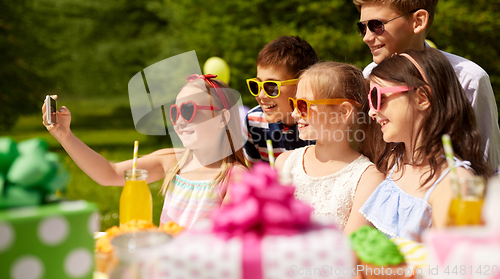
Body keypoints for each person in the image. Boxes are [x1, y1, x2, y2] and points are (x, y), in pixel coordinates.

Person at [42, 74, 248, 229]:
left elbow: (226, 239)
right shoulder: (172, 161)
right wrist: (65, 136)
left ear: (222, 118)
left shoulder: (235, 177)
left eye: (189, 110)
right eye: (175, 112)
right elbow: (109, 173)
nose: (180, 121)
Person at [353, 0, 500, 173]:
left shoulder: (468, 78)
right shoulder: (368, 75)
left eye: (377, 25)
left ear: (418, 21)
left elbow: (487, 164)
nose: (367, 37)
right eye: (362, 27)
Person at [360, 48, 492, 242]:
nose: (372, 112)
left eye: (377, 98)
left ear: (422, 98)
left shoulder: (457, 185)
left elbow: (452, 266)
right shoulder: (393, 161)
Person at [274, 62, 384, 234]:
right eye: (293, 103)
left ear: (343, 112)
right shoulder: (284, 163)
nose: (295, 113)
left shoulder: (368, 179)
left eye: (303, 105)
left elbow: (351, 250)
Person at [243, 35, 319, 164]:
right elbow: (255, 175)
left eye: (271, 86)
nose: (261, 95)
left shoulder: (320, 123)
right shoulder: (253, 122)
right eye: (256, 85)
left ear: (301, 84)